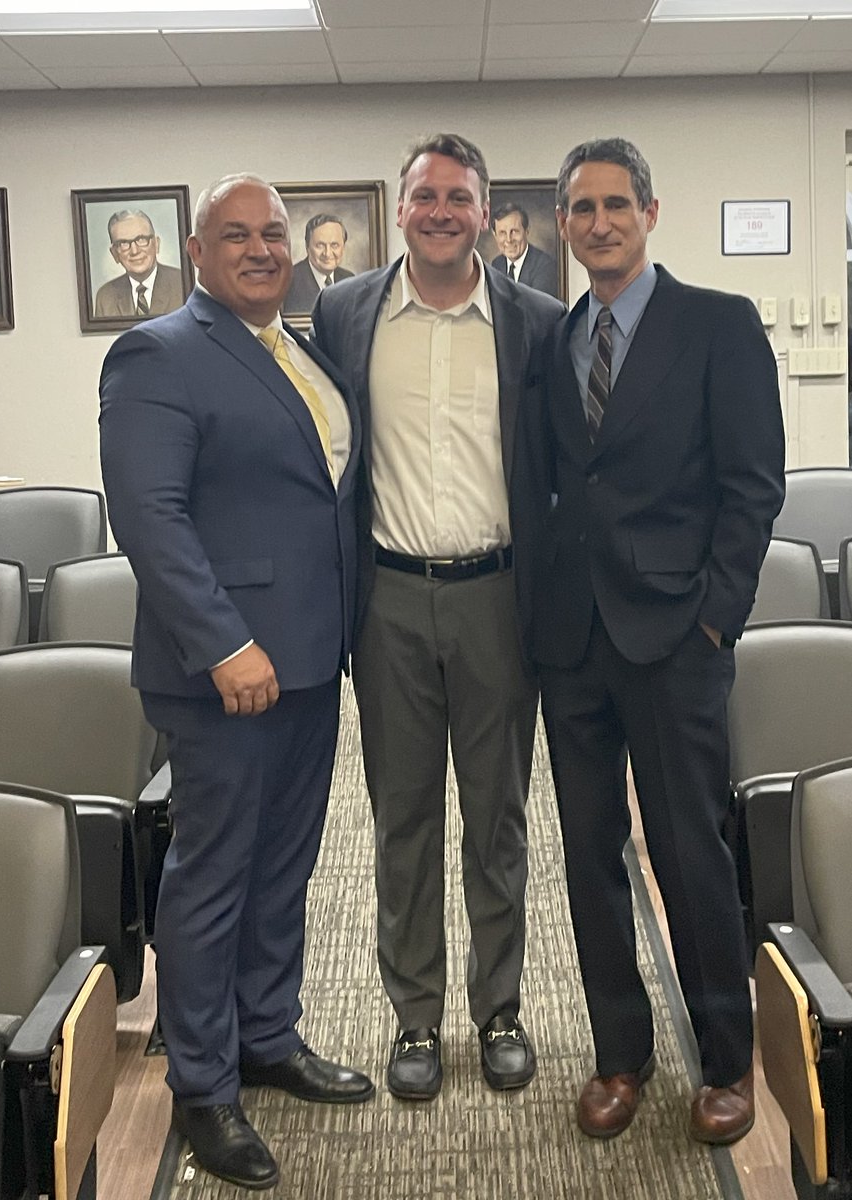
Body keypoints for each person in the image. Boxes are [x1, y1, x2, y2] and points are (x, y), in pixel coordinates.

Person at [99, 173, 372, 1191]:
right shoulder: (157, 352)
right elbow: (151, 519)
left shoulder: (295, 350)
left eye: (274, 234)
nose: (262, 248)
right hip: (226, 672)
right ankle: (205, 1086)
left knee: (283, 868)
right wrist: (222, 643)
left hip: (308, 658)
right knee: (212, 878)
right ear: (196, 248)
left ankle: (268, 1035)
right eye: (237, 234)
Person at [512, 137, 785, 1145]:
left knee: (688, 850)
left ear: (651, 213)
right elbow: (551, 485)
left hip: (677, 637)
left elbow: (754, 485)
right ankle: (618, 1055)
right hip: (573, 641)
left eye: (614, 205)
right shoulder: (555, 335)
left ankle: (725, 1061)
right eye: (579, 209)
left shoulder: (717, 325)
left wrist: (717, 615)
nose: (597, 223)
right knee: (589, 856)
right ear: (562, 224)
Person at [311, 133, 564, 1100]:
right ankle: (413, 1020)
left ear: (486, 210)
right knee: (402, 819)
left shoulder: (536, 321)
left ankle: (498, 1007)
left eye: (459, 197)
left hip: (499, 597)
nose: (441, 211)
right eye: (425, 195)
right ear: (402, 204)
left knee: (496, 818)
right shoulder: (344, 312)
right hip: (387, 606)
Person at [93, 209, 184, 318]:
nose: (134, 251)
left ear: (156, 244)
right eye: (124, 243)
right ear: (114, 253)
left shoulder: (182, 284)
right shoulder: (106, 297)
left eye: (141, 239)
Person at [282, 213, 354, 313]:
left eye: (334, 245)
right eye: (320, 245)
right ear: (307, 247)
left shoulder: (349, 280)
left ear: (343, 247)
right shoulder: (288, 281)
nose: (327, 253)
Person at [490, 202, 558, 297]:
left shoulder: (545, 266)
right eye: (502, 233)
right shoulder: (496, 264)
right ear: (495, 235)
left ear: (527, 231)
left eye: (514, 231)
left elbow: (537, 309)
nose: (509, 240)